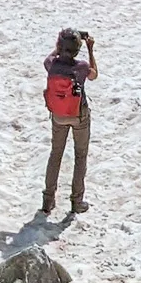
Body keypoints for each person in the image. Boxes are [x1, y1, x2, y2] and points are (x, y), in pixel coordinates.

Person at [40, 27, 97, 218]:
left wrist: (59, 47)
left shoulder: (52, 65)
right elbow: (94, 75)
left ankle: (48, 201)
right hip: (78, 114)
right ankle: (76, 201)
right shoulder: (81, 67)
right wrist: (90, 49)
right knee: (80, 156)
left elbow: (48, 58)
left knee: (55, 154)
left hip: (58, 115)